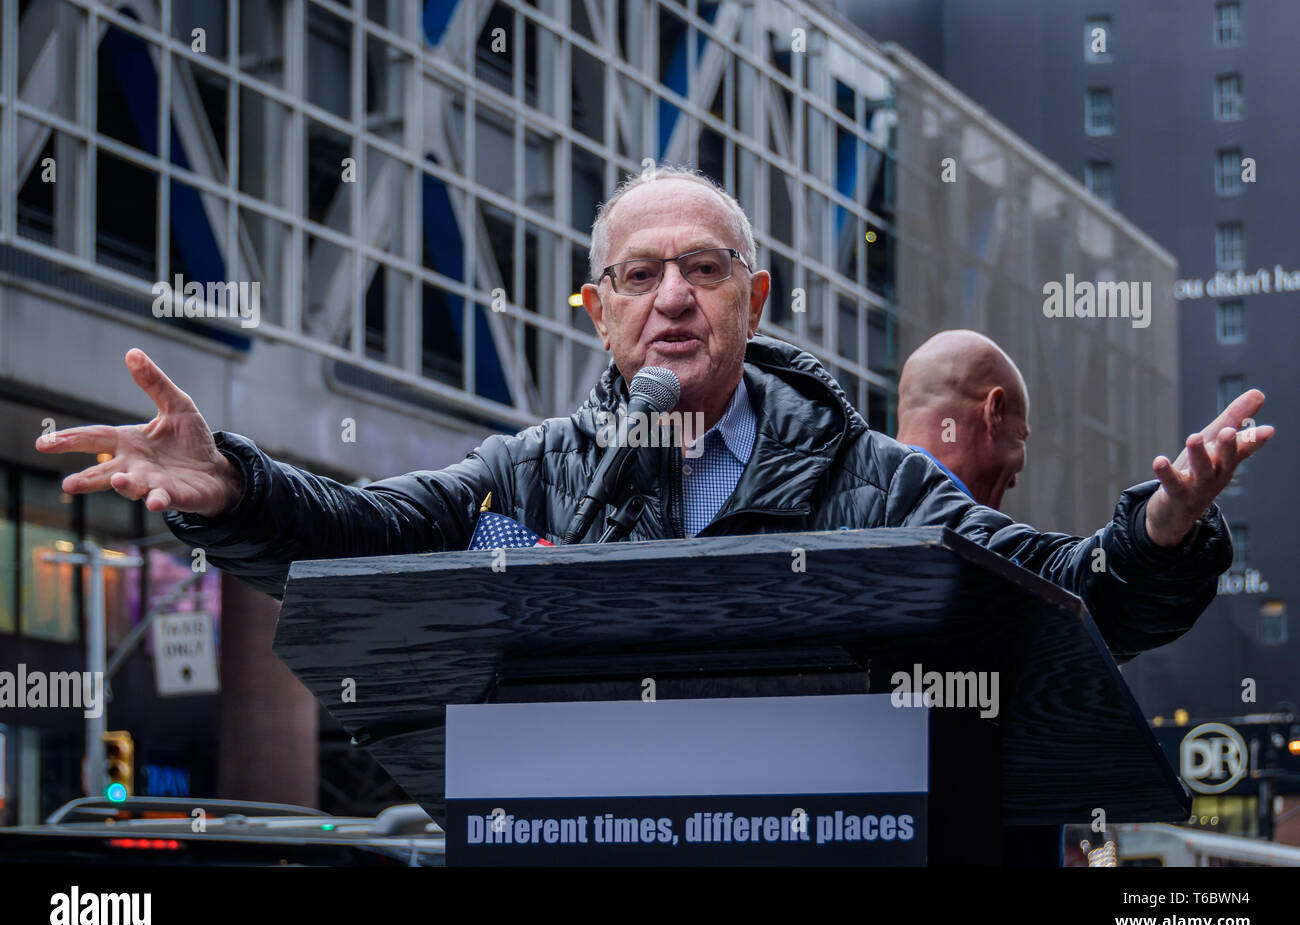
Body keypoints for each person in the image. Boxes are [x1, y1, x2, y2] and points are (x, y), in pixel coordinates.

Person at [37, 165, 1270, 669]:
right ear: (598, 311)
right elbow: (359, 533)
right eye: (638, 275)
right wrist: (234, 490)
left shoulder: (878, 481)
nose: (671, 296)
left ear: (755, 297)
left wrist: (1160, 532)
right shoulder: (532, 478)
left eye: (705, 268)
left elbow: (1074, 594)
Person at [895, 329, 1029, 509]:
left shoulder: (852, 503)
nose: (1013, 482)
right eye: (1019, 436)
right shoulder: (966, 530)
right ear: (993, 411)